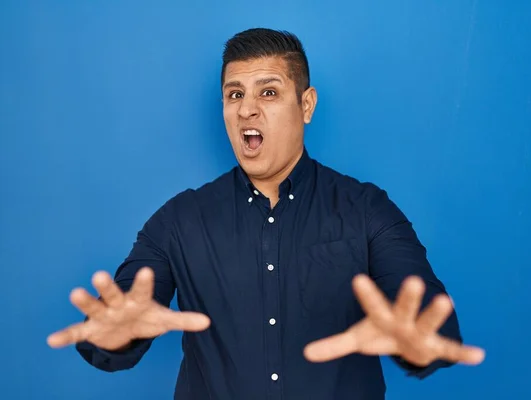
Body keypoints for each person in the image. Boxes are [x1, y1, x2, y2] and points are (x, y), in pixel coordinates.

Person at [47, 28, 485, 399]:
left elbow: (431, 318)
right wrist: (114, 334)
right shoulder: (179, 220)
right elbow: (126, 309)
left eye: (269, 92)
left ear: (306, 105)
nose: (246, 109)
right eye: (234, 94)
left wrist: (418, 341)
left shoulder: (367, 209)